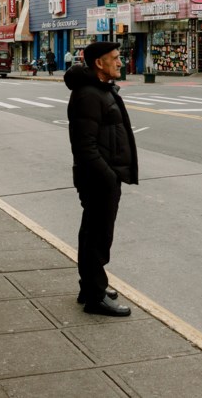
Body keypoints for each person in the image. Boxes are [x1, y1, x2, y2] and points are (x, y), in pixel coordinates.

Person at [64, 41, 138, 317]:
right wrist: (108, 177)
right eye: (116, 58)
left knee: (93, 234)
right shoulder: (89, 95)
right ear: (99, 63)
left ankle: (91, 287)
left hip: (102, 176)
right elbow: (85, 147)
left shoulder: (99, 90)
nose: (120, 63)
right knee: (97, 237)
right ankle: (95, 297)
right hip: (98, 178)